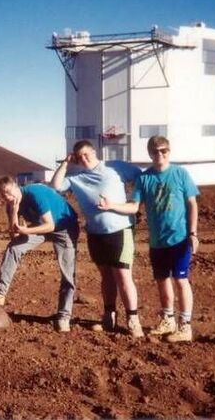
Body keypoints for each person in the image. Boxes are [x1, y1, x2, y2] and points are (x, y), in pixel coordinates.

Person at [98, 135, 199, 342]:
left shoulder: (180, 174)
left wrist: (193, 233)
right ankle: (168, 319)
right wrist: (112, 206)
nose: (159, 155)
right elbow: (134, 206)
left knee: (180, 280)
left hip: (179, 238)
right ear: (149, 153)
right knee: (162, 281)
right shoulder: (144, 179)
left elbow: (192, 204)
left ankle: (185, 326)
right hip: (157, 241)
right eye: (155, 151)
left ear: (169, 151)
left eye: (163, 150)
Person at [50, 140, 144, 337]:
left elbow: (140, 178)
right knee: (106, 277)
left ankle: (133, 319)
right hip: (95, 232)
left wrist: (135, 203)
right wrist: (66, 163)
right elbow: (56, 186)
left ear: (94, 152)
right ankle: (109, 315)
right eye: (79, 156)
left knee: (123, 276)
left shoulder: (114, 167)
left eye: (87, 154)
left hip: (120, 229)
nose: (84, 159)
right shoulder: (75, 176)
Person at [0, 176, 79, 332]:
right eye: (2, 194)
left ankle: (64, 316)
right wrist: (14, 211)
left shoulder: (35, 193)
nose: (6, 196)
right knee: (14, 248)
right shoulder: (10, 205)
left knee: (67, 272)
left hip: (64, 226)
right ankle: (0, 292)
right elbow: (14, 237)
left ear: (15, 186)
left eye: (8, 191)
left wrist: (26, 230)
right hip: (41, 226)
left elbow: (50, 225)